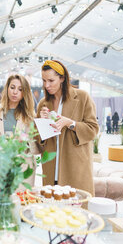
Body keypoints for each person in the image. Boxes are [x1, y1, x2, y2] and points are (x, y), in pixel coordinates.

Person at [37, 60, 99, 196]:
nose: (47, 85)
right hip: (51, 167)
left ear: (62, 78)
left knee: (76, 209)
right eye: (44, 81)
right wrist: (42, 122)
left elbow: (93, 129)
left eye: (51, 80)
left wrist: (70, 123)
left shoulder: (82, 97)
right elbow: (39, 141)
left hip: (75, 166)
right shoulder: (44, 103)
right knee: (53, 209)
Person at [0, 74, 39, 187]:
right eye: (12, 87)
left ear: (24, 93)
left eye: (20, 89)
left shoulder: (30, 116)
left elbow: (36, 146)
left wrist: (24, 142)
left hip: (23, 169)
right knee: (1, 202)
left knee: (23, 202)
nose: (15, 92)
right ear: (7, 88)